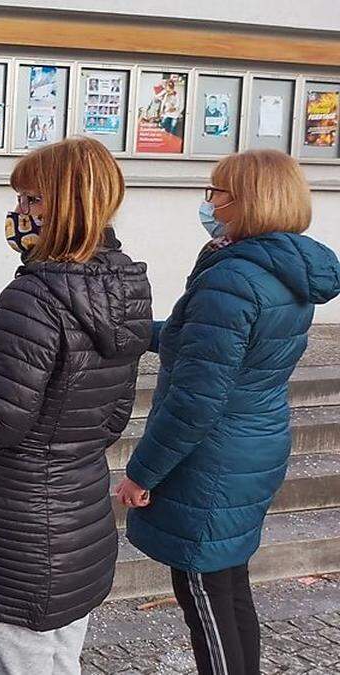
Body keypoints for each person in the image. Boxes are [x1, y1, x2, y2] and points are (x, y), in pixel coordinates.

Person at [0, 136, 153, 674]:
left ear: (68, 203)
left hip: (15, 532)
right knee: (59, 663)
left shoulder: (33, 296)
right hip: (80, 526)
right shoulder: (128, 288)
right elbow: (113, 417)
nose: (18, 213)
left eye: (31, 201)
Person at [116, 150, 340, 675]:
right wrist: (127, 332)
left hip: (212, 460)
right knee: (229, 587)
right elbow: (196, 341)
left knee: (206, 599)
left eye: (216, 192)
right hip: (250, 447)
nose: (208, 202)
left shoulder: (234, 276)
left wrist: (141, 473)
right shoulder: (278, 268)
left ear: (247, 201)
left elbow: (196, 398)